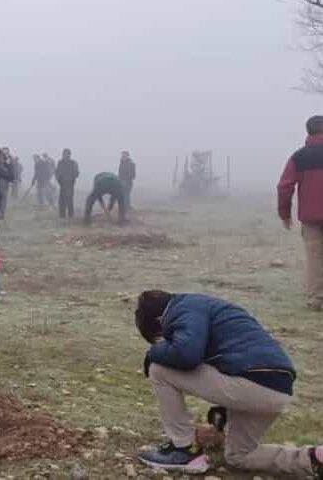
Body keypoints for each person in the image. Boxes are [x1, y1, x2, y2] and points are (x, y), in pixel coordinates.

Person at [134, 290, 323, 477]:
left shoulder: (182, 310)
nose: (166, 341)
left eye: (161, 336)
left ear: (159, 320)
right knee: (239, 456)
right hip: (277, 389)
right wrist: (225, 407)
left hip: (251, 382)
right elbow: (234, 354)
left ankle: (183, 449)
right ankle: (312, 459)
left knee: (159, 369)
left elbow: (187, 354)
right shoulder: (204, 307)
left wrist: (153, 353)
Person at [278, 115, 323, 311]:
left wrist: (285, 213)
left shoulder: (299, 157)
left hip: (311, 218)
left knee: (314, 259)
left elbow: (284, 186)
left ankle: (315, 300)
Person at [55, 148, 79, 220]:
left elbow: (76, 173)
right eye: (64, 154)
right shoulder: (60, 162)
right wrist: (58, 180)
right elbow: (57, 172)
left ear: (69, 155)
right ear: (63, 154)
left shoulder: (73, 162)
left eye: (67, 154)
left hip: (70, 184)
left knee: (69, 200)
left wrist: (72, 179)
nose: (65, 155)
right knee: (61, 200)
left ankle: (70, 215)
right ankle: (62, 216)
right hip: (62, 184)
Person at [0, 147, 12, 219]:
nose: (5, 154)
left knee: (3, 198)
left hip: (4, 181)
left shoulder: (9, 160)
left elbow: (11, 170)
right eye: (4, 152)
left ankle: (2, 214)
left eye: (6, 152)